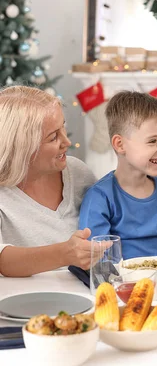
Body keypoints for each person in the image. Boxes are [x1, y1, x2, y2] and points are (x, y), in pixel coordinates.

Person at [0, 86, 102, 277]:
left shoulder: (77, 172)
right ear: (22, 147)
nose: (67, 142)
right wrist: (65, 253)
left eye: (63, 127)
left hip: (85, 298)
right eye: (53, 136)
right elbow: (3, 260)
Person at [78, 91, 157, 260]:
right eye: (153, 141)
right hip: (120, 282)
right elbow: (98, 257)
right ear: (120, 144)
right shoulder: (100, 197)